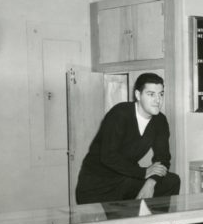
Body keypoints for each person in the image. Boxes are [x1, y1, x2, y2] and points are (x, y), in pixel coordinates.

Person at [75, 73, 180, 204]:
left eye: (161, 94)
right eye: (151, 94)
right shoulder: (119, 114)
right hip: (97, 184)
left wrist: (151, 182)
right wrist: (143, 173)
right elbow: (108, 156)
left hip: (126, 179)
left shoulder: (160, 121)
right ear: (138, 95)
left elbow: (163, 159)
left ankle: (154, 223)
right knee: (109, 223)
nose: (158, 100)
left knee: (171, 182)